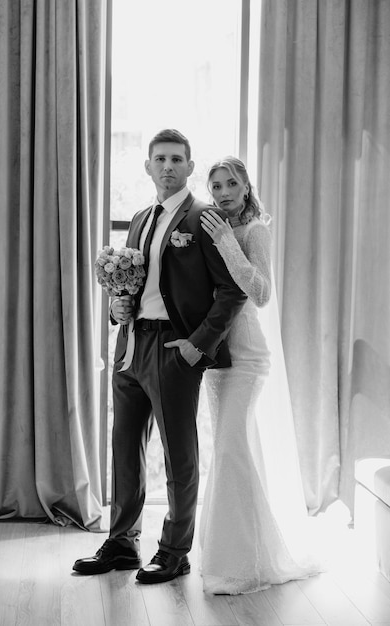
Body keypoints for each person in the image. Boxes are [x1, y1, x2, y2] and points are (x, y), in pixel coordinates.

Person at [73, 130, 247, 583]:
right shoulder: (139, 217)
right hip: (131, 343)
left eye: (176, 159)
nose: (167, 166)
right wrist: (118, 307)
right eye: (159, 159)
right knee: (124, 447)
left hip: (175, 348)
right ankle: (122, 542)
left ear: (190, 167)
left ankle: (174, 550)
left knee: (179, 454)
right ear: (148, 167)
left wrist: (196, 345)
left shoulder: (204, 219)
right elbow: (134, 285)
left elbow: (232, 291)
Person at [199, 156, 321, 594]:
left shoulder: (256, 230)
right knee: (230, 451)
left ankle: (242, 567)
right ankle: (231, 556)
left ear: (246, 186)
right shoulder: (208, 228)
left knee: (232, 449)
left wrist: (227, 244)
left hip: (248, 356)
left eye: (231, 183)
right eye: (215, 187)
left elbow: (263, 293)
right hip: (216, 358)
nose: (224, 192)